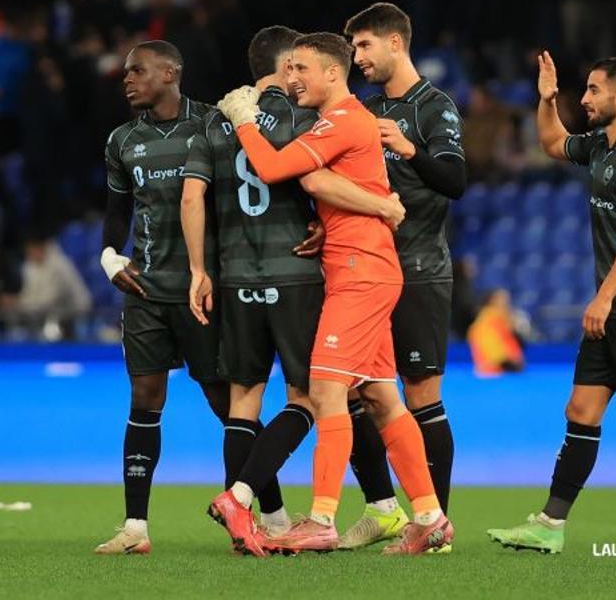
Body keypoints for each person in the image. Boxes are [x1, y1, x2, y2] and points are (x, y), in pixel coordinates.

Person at [209, 32, 453, 556]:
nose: (292, 78)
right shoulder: (340, 122)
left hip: (360, 270)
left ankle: (321, 518)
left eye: (300, 68)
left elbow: (276, 170)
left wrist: (244, 119)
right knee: (384, 400)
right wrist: (369, 205)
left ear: (332, 74)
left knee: (324, 393)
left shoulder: (343, 120)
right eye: (288, 68)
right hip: (362, 266)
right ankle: (430, 517)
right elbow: (318, 185)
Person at [488, 52, 616, 554]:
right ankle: (550, 525)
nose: (585, 99)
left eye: (593, 90)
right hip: (615, 305)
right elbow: (553, 142)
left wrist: (603, 297)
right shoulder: (602, 144)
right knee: (581, 408)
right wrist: (546, 98)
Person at [338, 2, 467, 549]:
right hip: (362, 270)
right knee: (346, 392)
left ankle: (431, 522)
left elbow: (455, 181)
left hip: (418, 269)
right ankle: (383, 508)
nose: (358, 58)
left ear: (396, 42)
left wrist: (408, 148)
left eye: (365, 46)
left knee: (420, 395)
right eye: (353, 49)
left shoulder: (434, 108)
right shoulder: (362, 109)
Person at [94, 41, 228, 555]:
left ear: (172, 71)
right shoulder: (123, 140)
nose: (127, 79)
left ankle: (272, 514)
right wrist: (109, 258)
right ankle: (135, 528)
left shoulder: (214, 124)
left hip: (203, 291)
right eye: (126, 72)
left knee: (225, 403)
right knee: (145, 401)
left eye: (137, 71)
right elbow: (116, 211)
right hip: (146, 290)